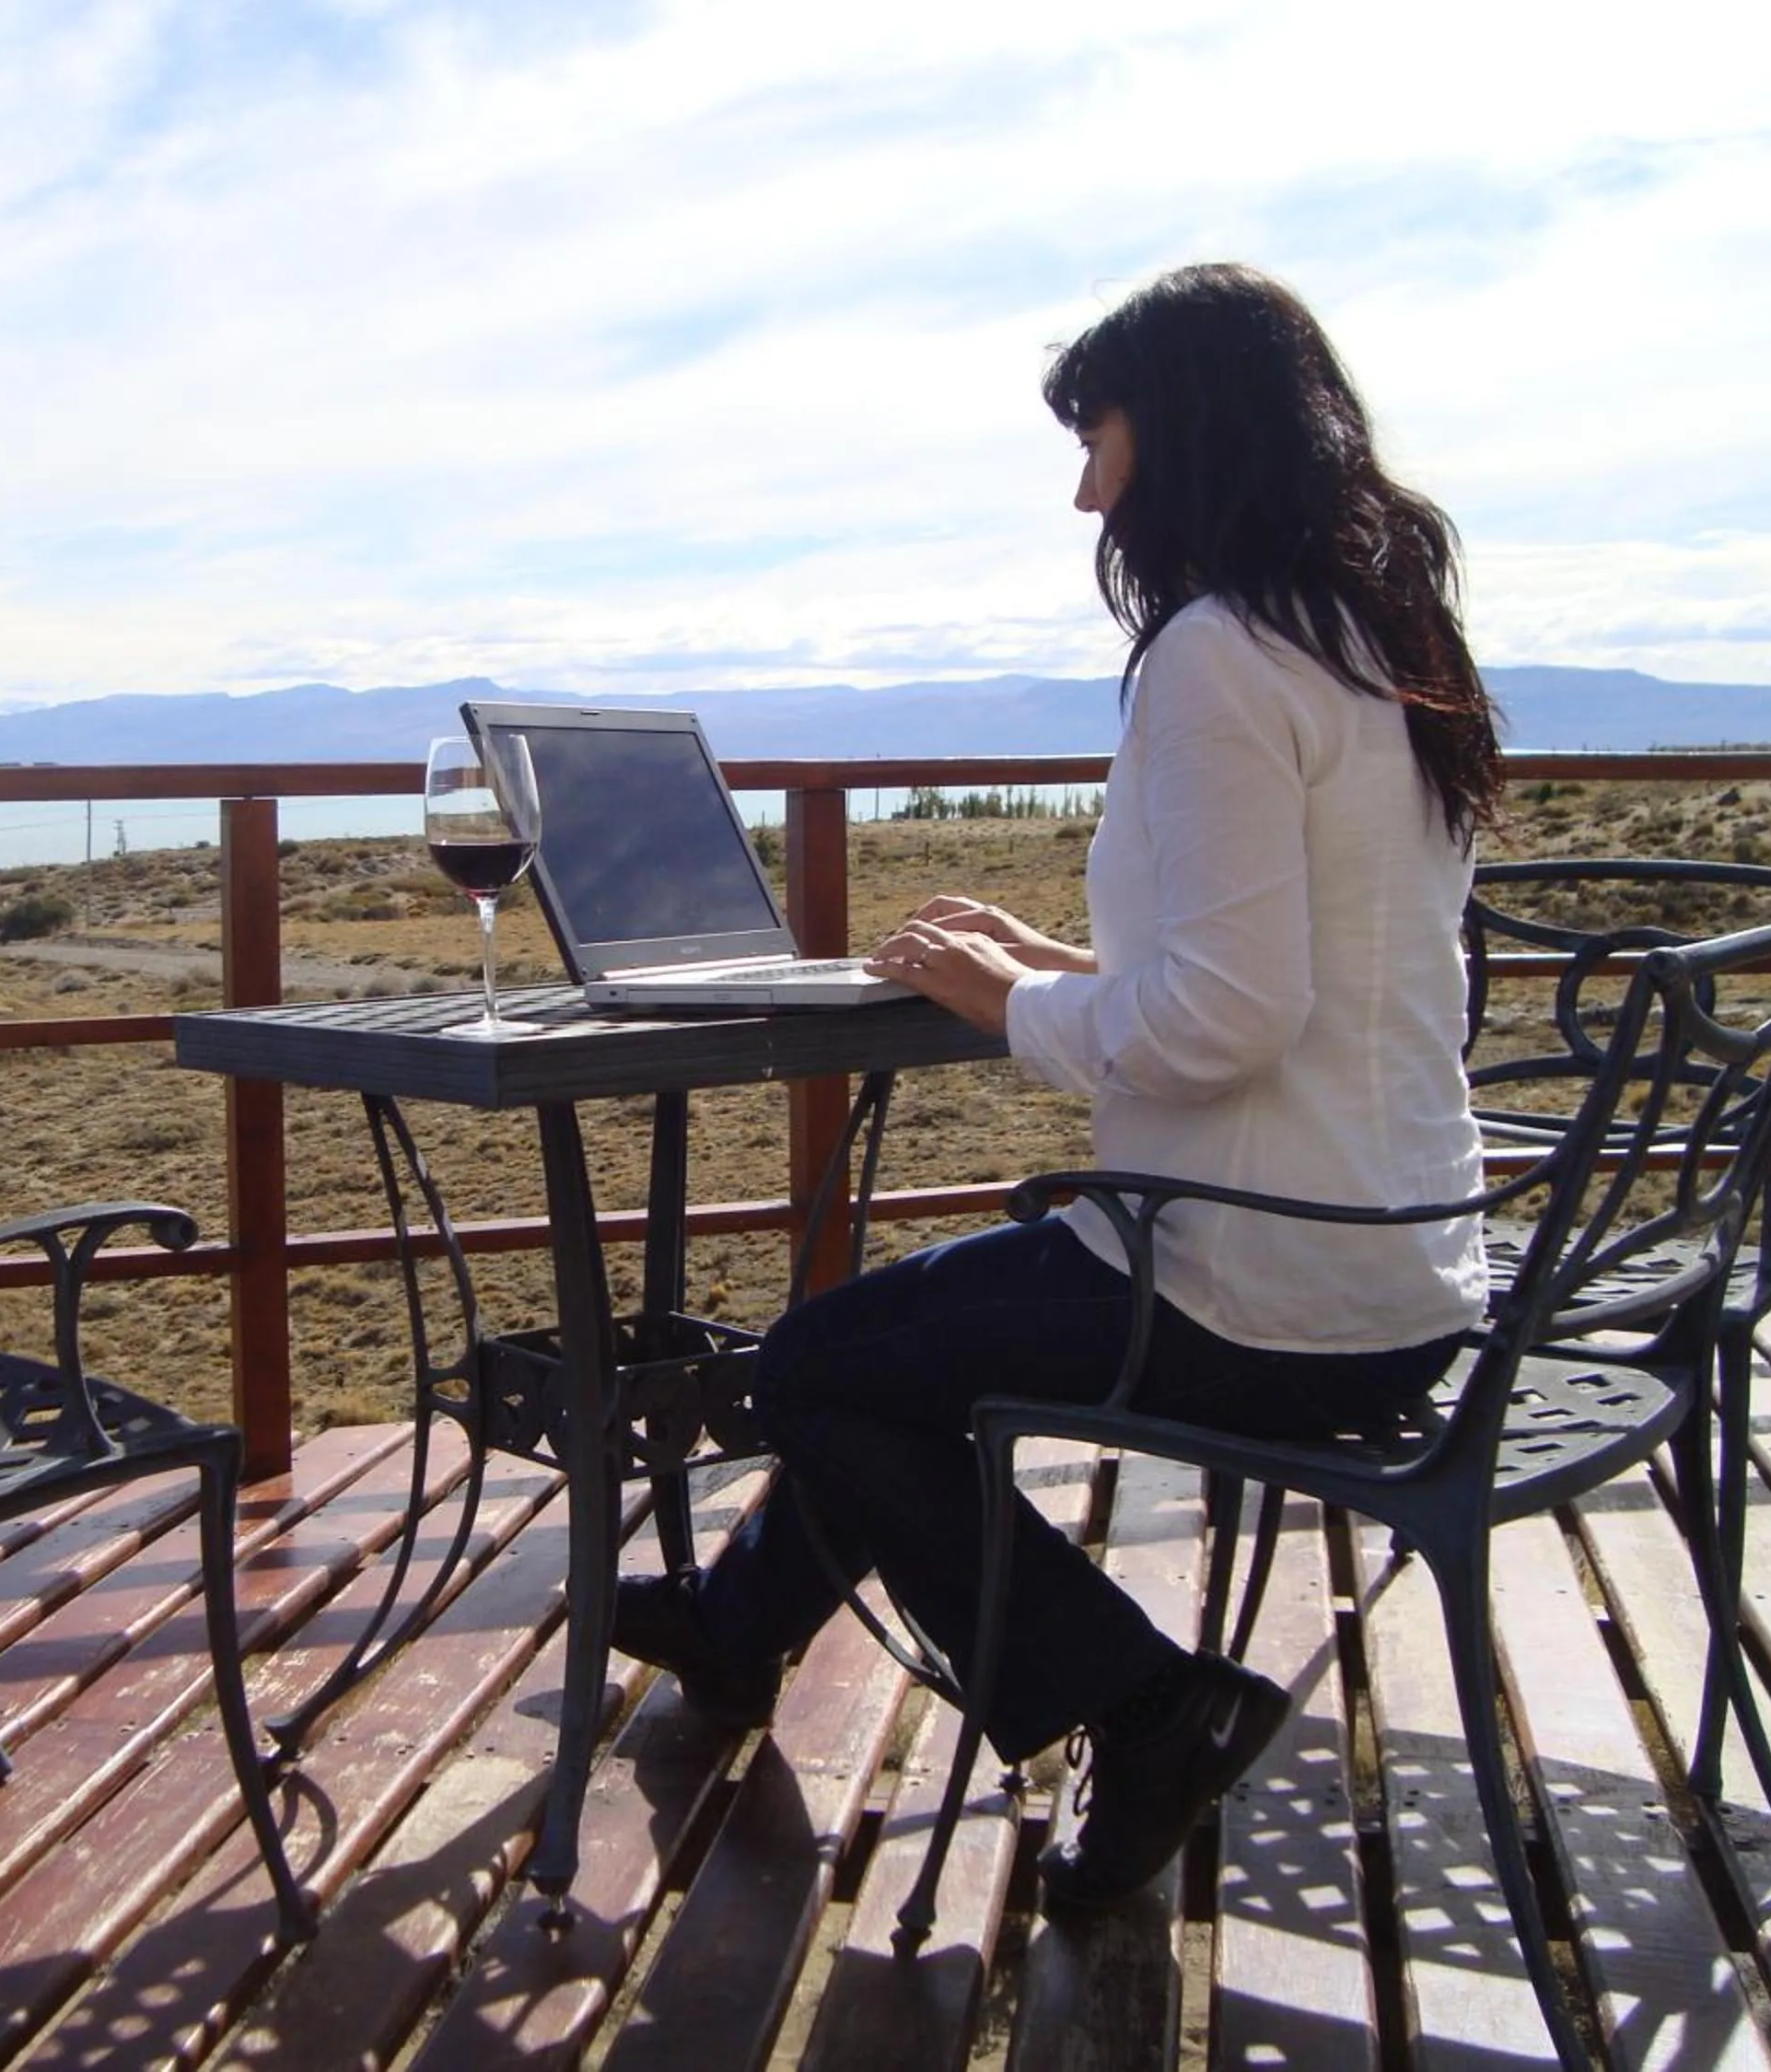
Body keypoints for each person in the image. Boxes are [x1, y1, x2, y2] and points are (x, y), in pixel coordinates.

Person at [610, 262, 1506, 1910]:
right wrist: (1062, 957)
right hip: (1405, 1268)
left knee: (820, 1367)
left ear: (1182, 431)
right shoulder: (1378, 645)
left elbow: (1227, 1027)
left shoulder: (1216, 657)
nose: (1084, 480)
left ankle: (1145, 1701)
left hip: (1252, 1277)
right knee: (893, 1353)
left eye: (1096, 431)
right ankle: (736, 1631)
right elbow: (1287, 983)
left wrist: (1009, 1001)